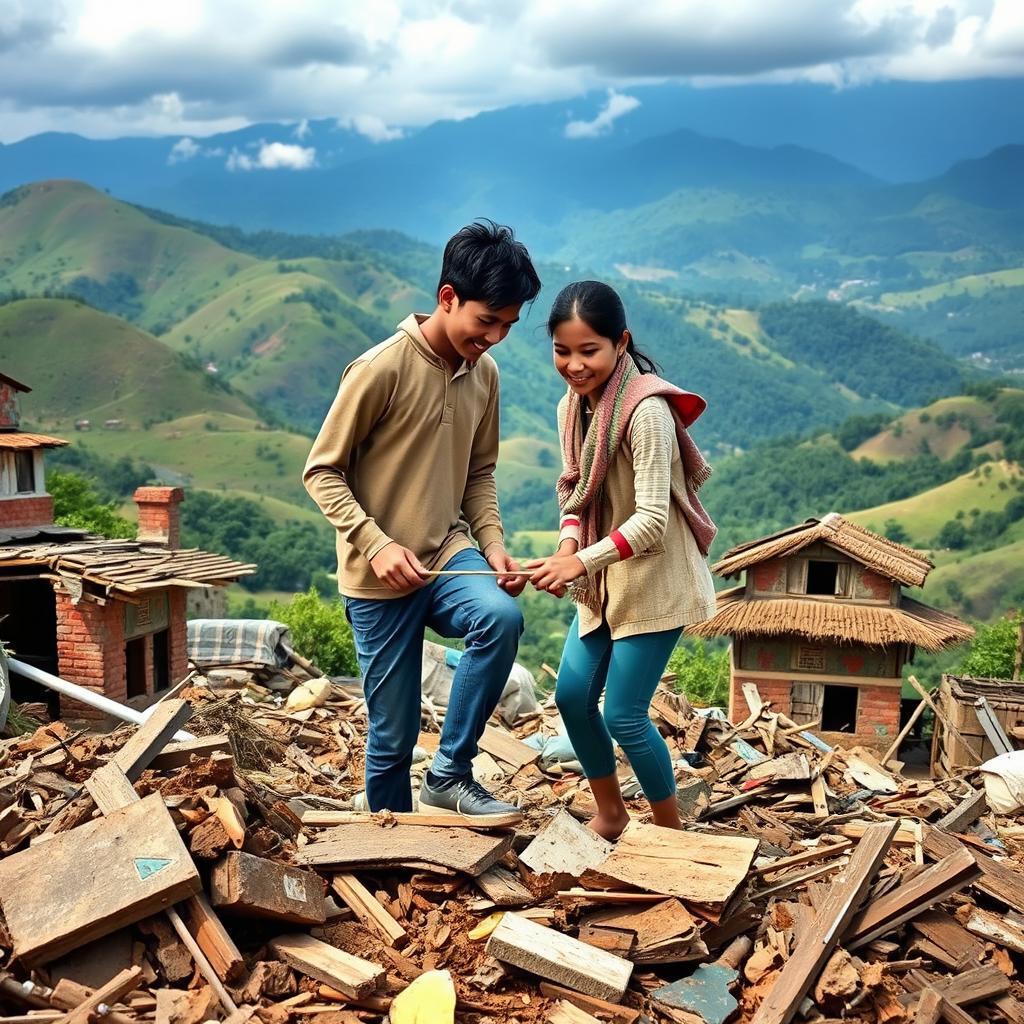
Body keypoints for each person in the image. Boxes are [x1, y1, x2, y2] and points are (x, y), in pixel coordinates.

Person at [303, 220, 541, 818]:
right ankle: (392, 843)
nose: (493, 337)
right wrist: (375, 545)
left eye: (507, 327)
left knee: (500, 618)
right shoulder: (379, 369)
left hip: (447, 553)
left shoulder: (484, 375)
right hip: (377, 574)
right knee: (391, 736)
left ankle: (449, 774)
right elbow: (321, 471)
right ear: (446, 298)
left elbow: (479, 475)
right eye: (485, 320)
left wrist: (492, 546)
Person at [527, 280, 717, 840]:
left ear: (621, 343)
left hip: (657, 580)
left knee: (624, 715)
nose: (575, 365)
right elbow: (573, 490)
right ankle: (612, 812)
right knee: (570, 696)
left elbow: (654, 521)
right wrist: (567, 548)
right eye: (563, 350)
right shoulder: (572, 407)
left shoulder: (647, 414)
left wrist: (579, 562)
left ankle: (667, 834)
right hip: (603, 577)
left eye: (590, 351)